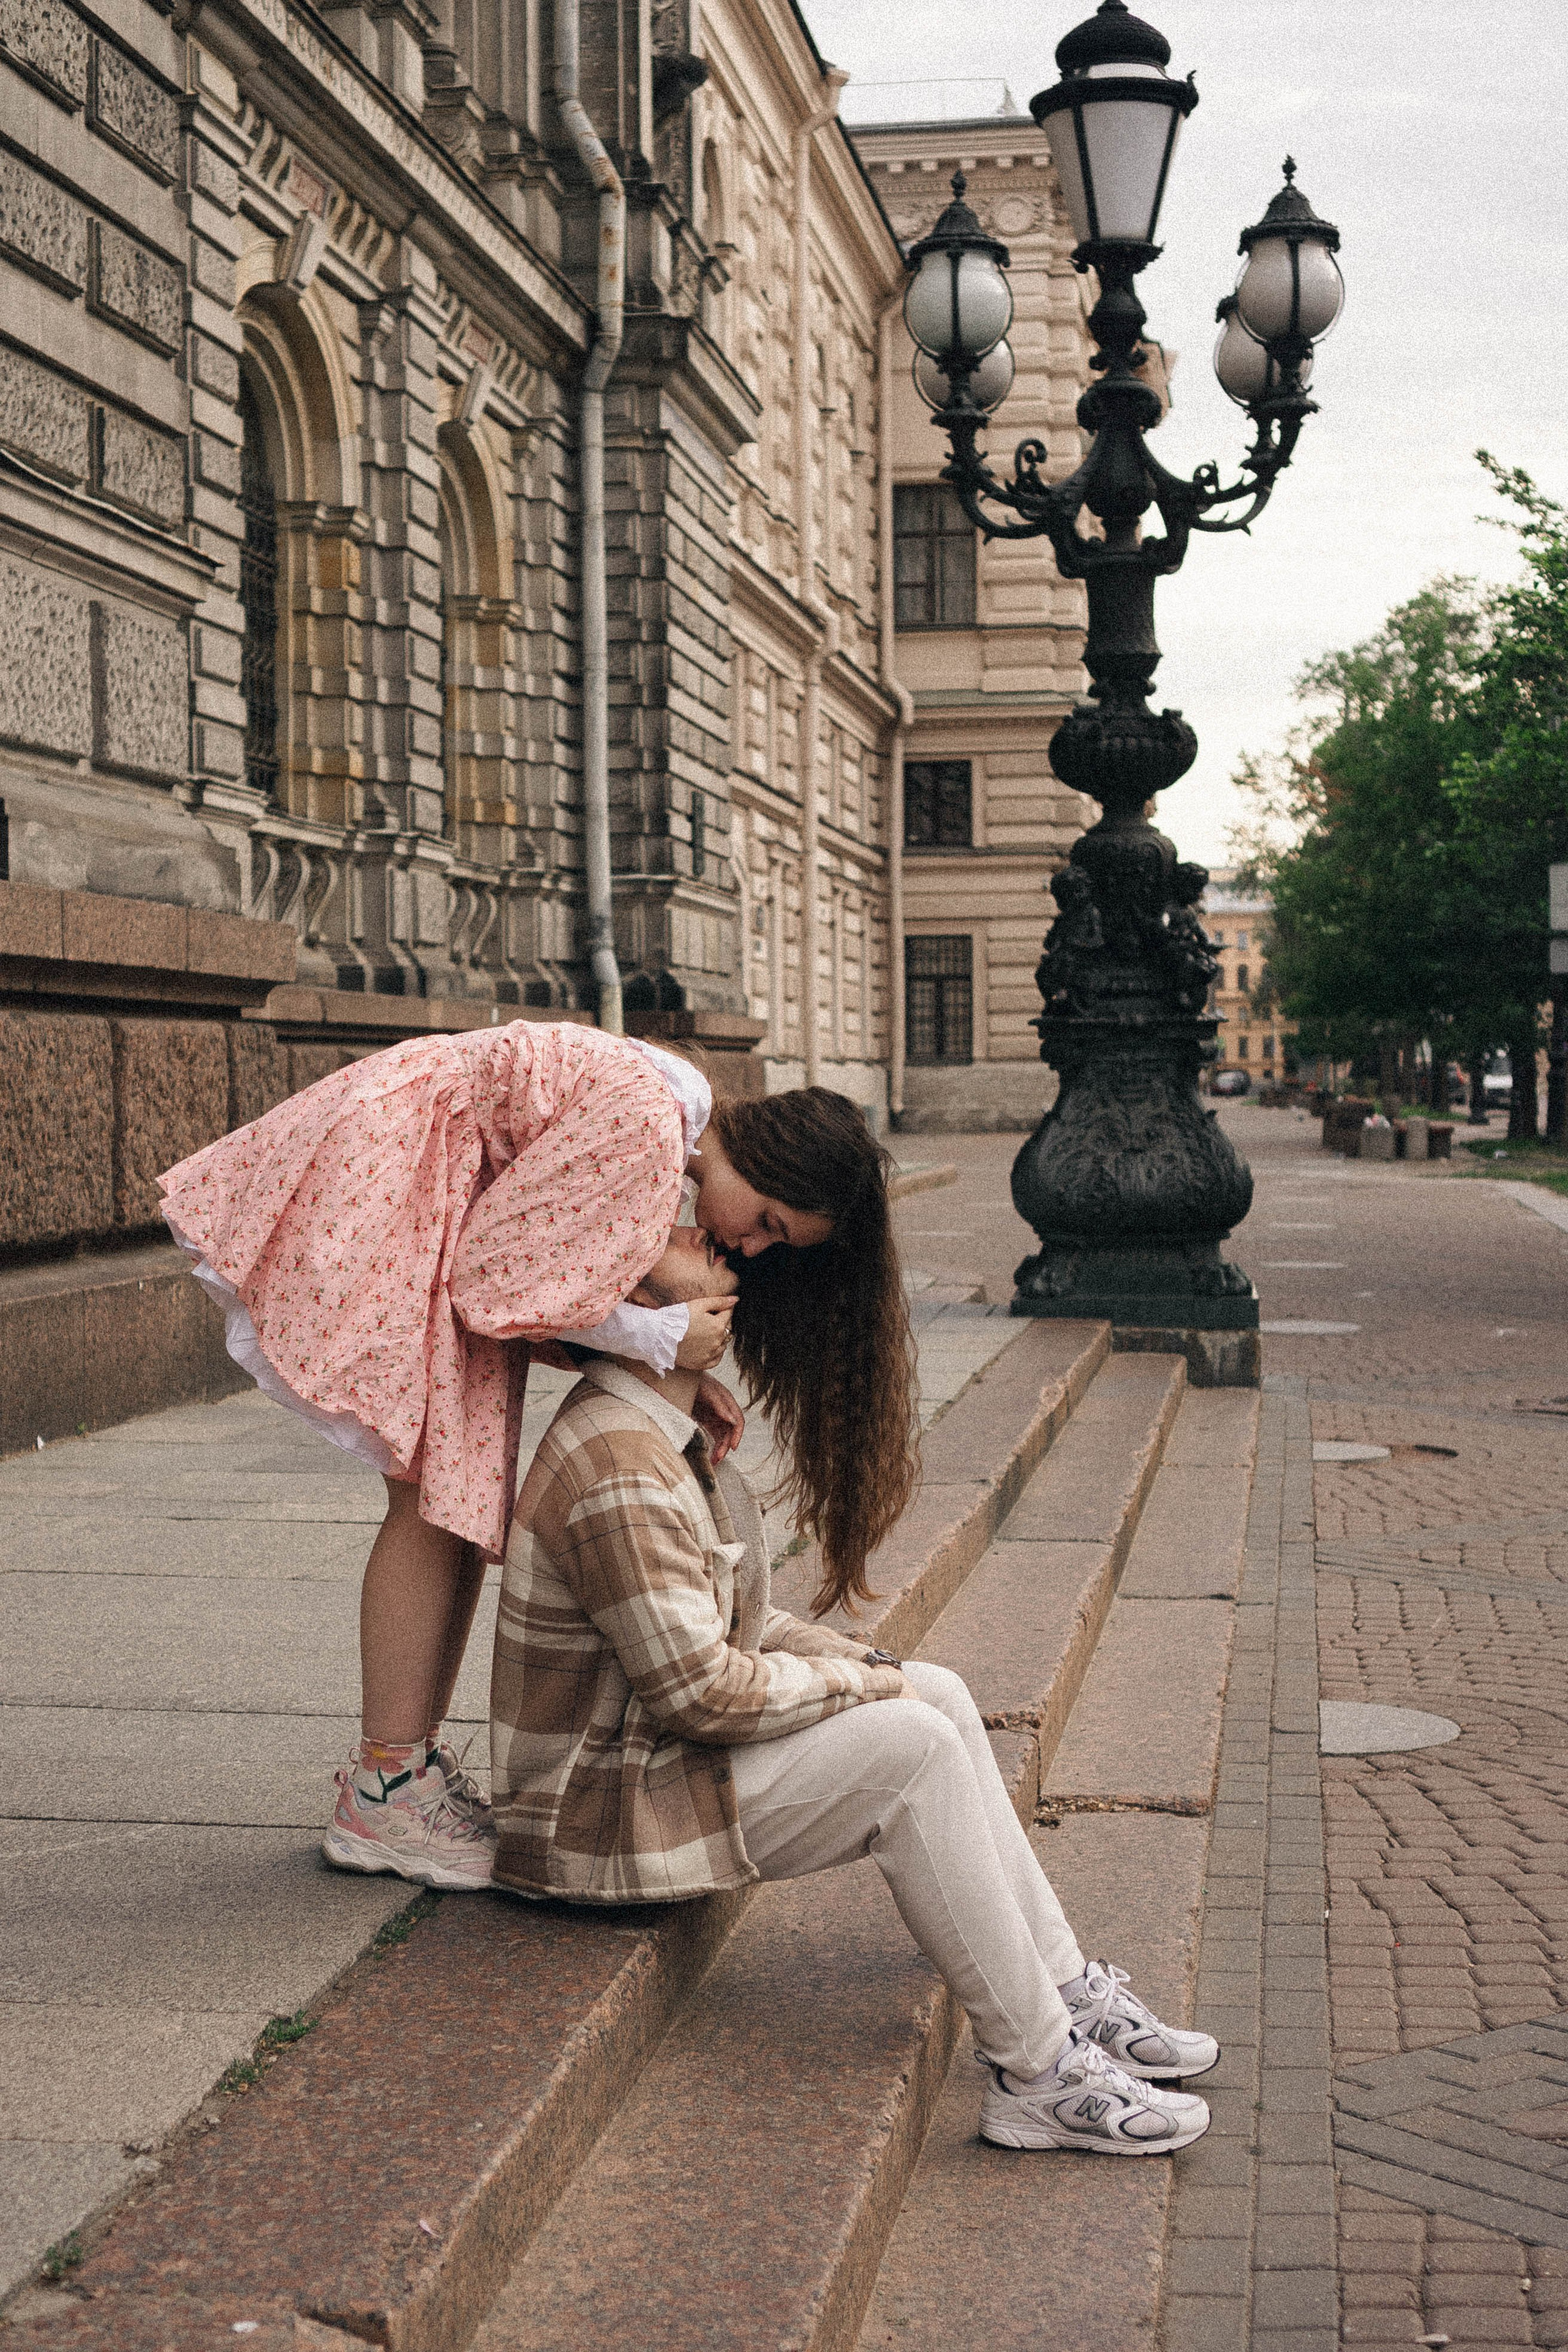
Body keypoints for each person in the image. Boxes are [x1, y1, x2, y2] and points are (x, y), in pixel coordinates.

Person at [489, 1224, 1219, 2157]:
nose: (705, 1237)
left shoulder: (659, 1424)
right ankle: (1037, 2074)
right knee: (910, 1753)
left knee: (938, 1694)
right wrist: (851, 1689)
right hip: (601, 1816)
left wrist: (866, 1669)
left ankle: (1066, 1986)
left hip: (653, 1758)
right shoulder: (617, 1463)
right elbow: (701, 1693)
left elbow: (731, 1623)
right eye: (666, 1236)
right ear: (634, 1305)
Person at [157, 1022, 915, 1890]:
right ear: (768, 1160)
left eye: (776, 1246)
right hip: (399, 1182)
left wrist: (660, 1358)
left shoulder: (661, 1118)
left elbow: (539, 1275)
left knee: (455, 1500)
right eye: (771, 1224)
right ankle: (386, 1786)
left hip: (422, 1187)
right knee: (425, 1496)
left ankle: (402, 1772)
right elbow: (495, 1284)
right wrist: (656, 1334)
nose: (753, 1248)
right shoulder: (647, 1126)